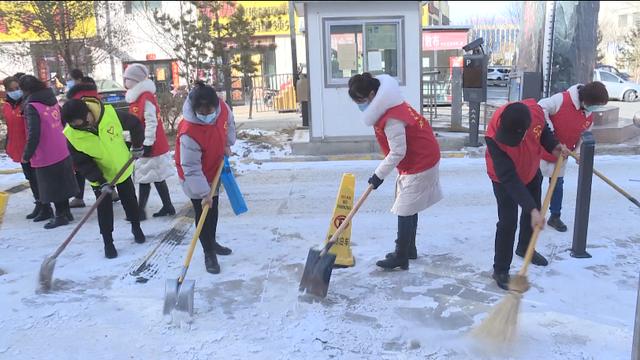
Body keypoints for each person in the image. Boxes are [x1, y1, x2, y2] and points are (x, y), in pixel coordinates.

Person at [347, 73, 443, 271]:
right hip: (420, 157)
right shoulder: (390, 104)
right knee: (410, 205)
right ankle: (409, 249)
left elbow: (398, 151)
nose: (360, 106)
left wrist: (378, 176)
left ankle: (401, 255)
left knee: (404, 207)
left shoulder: (391, 117)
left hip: (420, 161)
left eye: (361, 101)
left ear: (372, 95)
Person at [485, 99, 569, 290]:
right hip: (503, 179)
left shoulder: (535, 113)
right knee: (508, 221)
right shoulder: (493, 135)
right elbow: (508, 176)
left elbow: (544, 132)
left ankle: (525, 248)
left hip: (531, 170)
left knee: (533, 212)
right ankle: (500, 269)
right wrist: (530, 208)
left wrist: (553, 145)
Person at [61, 98, 146, 259]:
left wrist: (137, 145)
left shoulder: (109, 114)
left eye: (82, 123)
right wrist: (100, 181)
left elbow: (134, 124)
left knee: (130, 201)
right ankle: (108, 242)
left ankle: (136, 228)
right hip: (100, 176)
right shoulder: (72, 135)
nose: (81, 127)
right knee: (104, 209)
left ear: (88, 113)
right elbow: (82, 162)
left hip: (122, 167)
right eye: (76, 125)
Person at [174, 81, 236, 274]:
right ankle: (209, 253)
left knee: (213, 209)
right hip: (193, 174)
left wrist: (227, 143)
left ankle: (213, 242)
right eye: (201, 112)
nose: (206, 115)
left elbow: (229, 124)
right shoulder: (188, 131)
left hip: (213, 166)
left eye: (209, 111)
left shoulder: (222, 108)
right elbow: (191, 167)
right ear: (194, 109)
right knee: (202, 213)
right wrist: (203, 192)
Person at [538, 82, 609, 232]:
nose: (595, 109)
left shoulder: (589, 114)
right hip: (541, 152)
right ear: (587, 99)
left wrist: (577, 152)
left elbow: (584, 135)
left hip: (562, 156)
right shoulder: (562, 100)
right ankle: (533, 215)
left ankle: (555, 216)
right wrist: (549, 133)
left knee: (557, 186)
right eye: (596, 105)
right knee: (535, 184)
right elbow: (541, 107)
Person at [19, 75, 77, 229]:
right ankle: (66, 212)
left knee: (51, 184)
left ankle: (60, 216)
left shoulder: (32, 105)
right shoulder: (52, 99)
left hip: (45, 151)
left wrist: (27, 154)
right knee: (62, 181)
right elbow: (63, 120)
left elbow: (34, 133)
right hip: (61, 145)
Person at [123, 63, 175, 220]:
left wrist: (148, 142)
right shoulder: (138, 97)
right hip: (145, 141)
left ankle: (140, 211)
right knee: (155, 176)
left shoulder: (145, 98)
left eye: (127, 78)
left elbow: (151, 121)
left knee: (145, 177)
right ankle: (167, 206)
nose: (125, 81)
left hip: (150, 144)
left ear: (135, 80)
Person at [3, 74, 42, 220]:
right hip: (19, 148)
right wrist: (8, 145)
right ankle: (39, 202)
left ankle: (45, 205)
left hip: (32, 148)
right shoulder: (6, 106)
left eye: (17, 88)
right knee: (30, 177)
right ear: (6, 91)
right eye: (11, 89)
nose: (15, 91)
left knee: (37, 177)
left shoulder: (27, 104)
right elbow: (9, 128)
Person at [64, 76, 101, 209]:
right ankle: (110, 192)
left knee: (83, 166)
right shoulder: (94, 94)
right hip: (101, 137)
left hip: (83, 138)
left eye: (70, 79)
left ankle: (80, 197)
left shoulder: (78, 97)